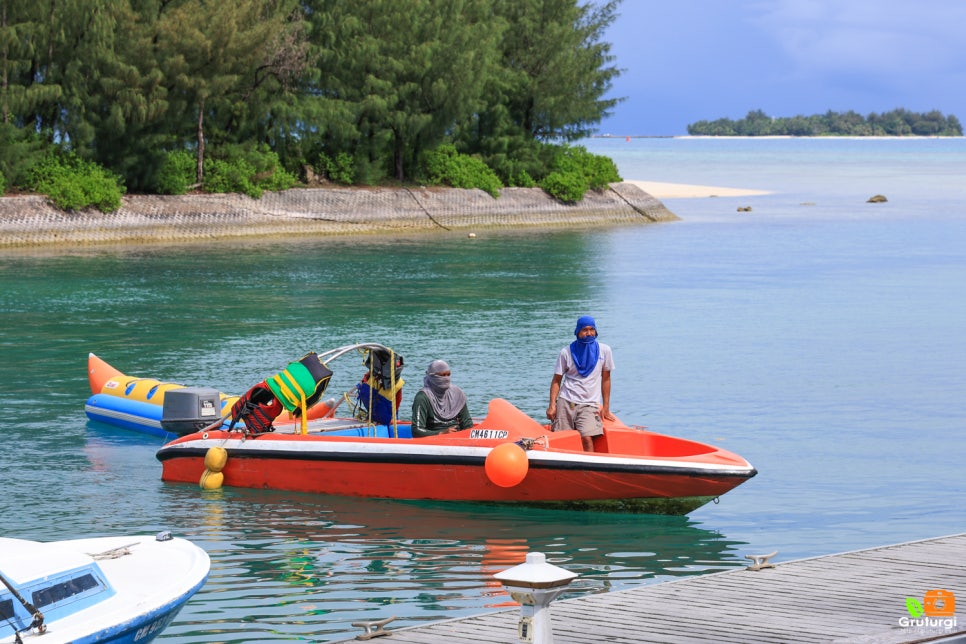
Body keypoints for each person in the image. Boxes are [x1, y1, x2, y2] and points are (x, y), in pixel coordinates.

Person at [546, 315, 615, 452]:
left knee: (587, 438)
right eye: (585, 330)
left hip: (589, 403)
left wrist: (606, 407)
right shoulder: (566, 352)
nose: (589, 333)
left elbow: (606, 379)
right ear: (578, 331)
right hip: (568, 401)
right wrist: (552, 405)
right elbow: (557, 380)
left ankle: (590, 469)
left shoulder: (604, 350)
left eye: (592, 330)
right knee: (563, 438)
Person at [411, 360, 473, 437]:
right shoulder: (422, 397)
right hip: (435, 440)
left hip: (458, 438)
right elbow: (417, 431)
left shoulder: (457, 393)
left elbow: (467, 423)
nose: (446, 378)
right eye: (442, 375)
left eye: (448, 375)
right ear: (432, 376)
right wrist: (441, 433)